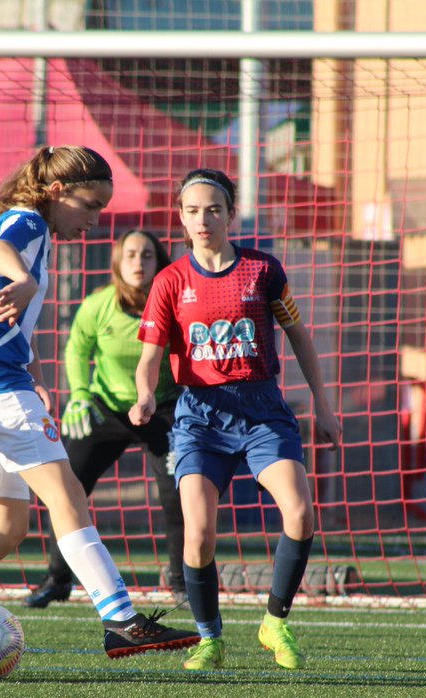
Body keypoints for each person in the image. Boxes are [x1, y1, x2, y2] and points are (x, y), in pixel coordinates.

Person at [0, 145, 200, 677]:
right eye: (91, 205)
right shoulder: (26, 222)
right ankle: (122, 620)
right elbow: (7, 249)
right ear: (57, 192)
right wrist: (23, 281)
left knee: (6, 525)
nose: (95, 221)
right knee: (67, 495)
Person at [130, 168, 342, 671]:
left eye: (213, 209)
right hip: (200, 418)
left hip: (264, 411)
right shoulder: (170, 280)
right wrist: (143, 396)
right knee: (199, 534)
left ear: (231, 214)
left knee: (300, 511)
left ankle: (274, 623)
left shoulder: (263, 270)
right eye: (192, 210)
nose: (203, 219)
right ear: (181, 218)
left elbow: (300, 338)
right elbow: (149, 358)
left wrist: (324, 405)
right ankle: (210, 638)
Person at [25, 229, 187, 608]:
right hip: (106, 407)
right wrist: (79, 396)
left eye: (147, 255)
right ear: (117, 262)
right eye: (130, 254)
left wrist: (188, 406)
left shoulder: (175, 304)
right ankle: (58, 578)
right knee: (65, 485)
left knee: (180, 493)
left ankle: (181, 581)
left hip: (162, 408)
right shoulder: (98, 304)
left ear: (159, 262)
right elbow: (77, 350)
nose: (138, 262)